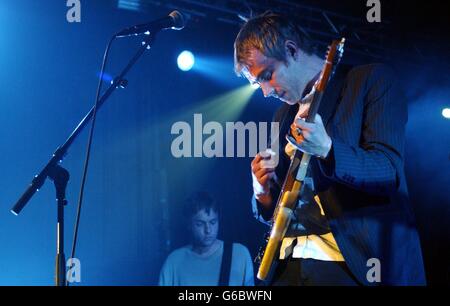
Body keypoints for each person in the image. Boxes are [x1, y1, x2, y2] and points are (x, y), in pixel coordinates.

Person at [234, 12, 426, 285]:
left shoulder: (368, 80)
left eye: (267, 75)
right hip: (290, 266)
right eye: (258, 84)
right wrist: (263, 194)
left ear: (291, 50)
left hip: (352, 265)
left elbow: (388, 171)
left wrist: (328, 150)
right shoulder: (282, 115)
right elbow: (283, 205)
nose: (265, 91)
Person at [158, 191, 254, 286]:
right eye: (200, 224)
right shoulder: (174, 262)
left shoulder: (239, 254)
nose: (208, 230)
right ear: (189, 224)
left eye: (212, 222)